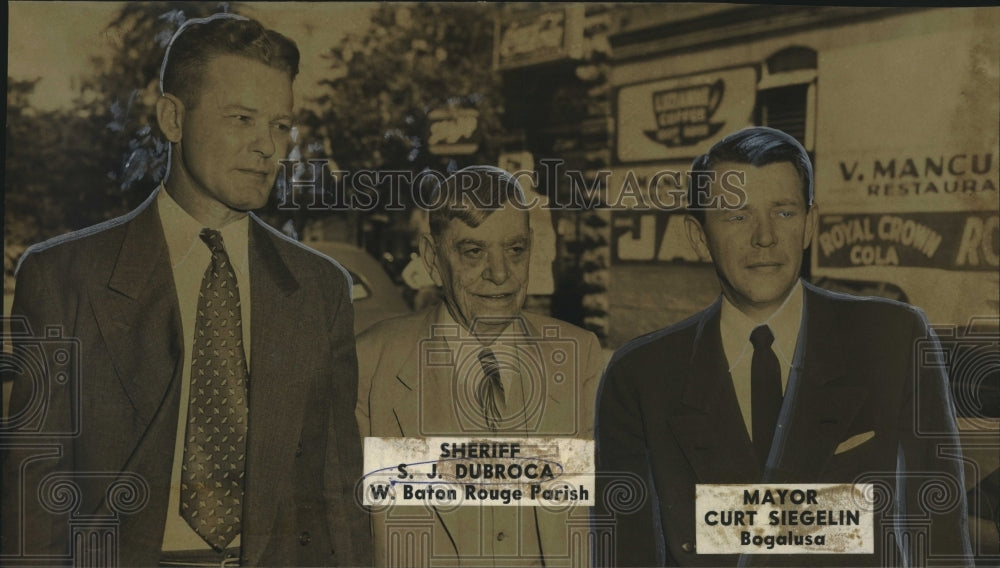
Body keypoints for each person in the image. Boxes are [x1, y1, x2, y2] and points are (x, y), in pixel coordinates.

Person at [1, 14, 370, 566]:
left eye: (279, 125)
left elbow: (340, 494)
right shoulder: (62, 277)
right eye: (242, 118)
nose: (268, 148)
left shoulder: (320, 289)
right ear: (173, 117)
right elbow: (33, 501)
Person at [594, 127, 972, 567]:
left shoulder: (892, 337)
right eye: (737, 216)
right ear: (698, 237)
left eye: (785, 213)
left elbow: (940, 534)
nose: (765, 238)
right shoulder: (641, 376)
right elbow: (628, 552)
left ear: (811, 223)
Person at [356, 166, 605, 567]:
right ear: (433, 259)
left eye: (515, 249)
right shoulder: (371, 363)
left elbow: (595, 517)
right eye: (474, 252)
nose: (500, 273)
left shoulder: (579, 355)